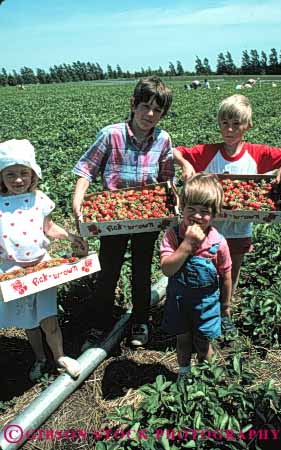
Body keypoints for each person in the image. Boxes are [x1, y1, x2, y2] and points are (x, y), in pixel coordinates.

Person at [72, 76, 174, 348]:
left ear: (163, 113)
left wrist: (171, 205)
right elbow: (86, 171)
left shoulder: (163, 139)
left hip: (147, 217)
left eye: (157, 110)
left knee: (142, 270)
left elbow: (167, 179)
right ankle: (99, 324)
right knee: (108, 270)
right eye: (145, 106)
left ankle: (140, 320)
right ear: (133, 104)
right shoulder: (111, 134)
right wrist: (78, 203)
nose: (150, 114)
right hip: (113, 217)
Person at [173, 94, 281, 298]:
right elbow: (175, 151)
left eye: (236, 124)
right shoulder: (208, 152)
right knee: (204, 268)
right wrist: (186, 164)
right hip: (207, 227)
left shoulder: (257, 153)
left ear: (247, 125)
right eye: (224, 123)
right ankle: (204, 307)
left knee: (231, 271)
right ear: (219, 124)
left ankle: (226, 308)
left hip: (240, 229)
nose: (229, 129)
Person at [0, 139, 88, 382]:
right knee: (28, 321)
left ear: (32, 174)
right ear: (1, 176)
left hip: (42, 266)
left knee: (49, 318)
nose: (18, 180)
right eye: (11, 174)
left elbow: (49, 227)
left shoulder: (38, 199)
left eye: (23, 173)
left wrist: (70, 236)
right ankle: (39, 357)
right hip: (13, 270)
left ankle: (59, 356)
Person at [160, 173, 232, 377]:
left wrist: (225, 305)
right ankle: (183, 373)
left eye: (204, 211)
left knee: (203, 341)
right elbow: (167, 269)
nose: (197, 216)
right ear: (181, 207)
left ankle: (208, 376)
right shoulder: (173, 236)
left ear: (215, 213)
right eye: (191, 209)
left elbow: (226, 276)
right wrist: (187, 245)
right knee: (182, 340)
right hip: (178, 302)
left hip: (206, 304)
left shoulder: (218, 242)